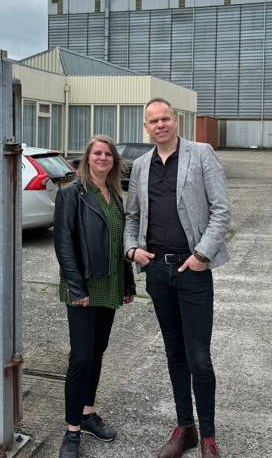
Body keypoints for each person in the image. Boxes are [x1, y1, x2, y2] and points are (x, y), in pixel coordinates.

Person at [124, 98, 232, 458]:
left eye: (165, 118)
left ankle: (209, 436)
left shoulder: (201, 154)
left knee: (199, 356)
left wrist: (202, 256)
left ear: (176, 121)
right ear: (146, 127)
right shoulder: (140, 166)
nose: (160, 125)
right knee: (174, 353)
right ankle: (185, 428)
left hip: (192, 271)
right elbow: (132, 218)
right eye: (153, 120)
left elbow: (221, 210)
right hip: (157, 272)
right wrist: (131, 251)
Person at [54, 135, 136, 458]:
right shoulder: (72, 194)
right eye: (97, 153)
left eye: (108, 154)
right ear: (86, 159)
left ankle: (87, 413)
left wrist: (127, 284)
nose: (103, 158)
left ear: (114, 161)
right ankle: (71, 431)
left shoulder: (115, 195)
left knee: (98, 352)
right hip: (84, 289)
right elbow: (64, 244)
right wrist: (77, 288)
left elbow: (119, 244)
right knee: (82, 357)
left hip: (110, 287)